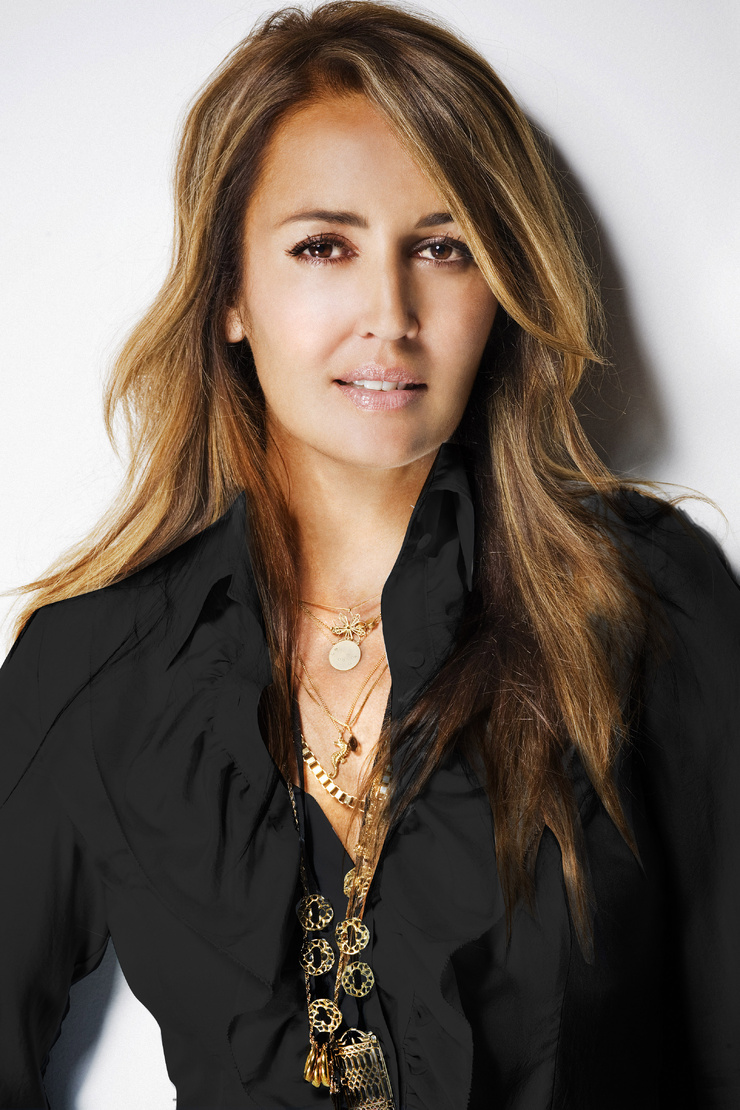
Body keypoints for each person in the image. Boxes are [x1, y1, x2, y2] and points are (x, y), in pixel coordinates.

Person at [1, 2, 738, 1107]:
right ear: (230, 294)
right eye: (322, 247)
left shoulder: (645, 602)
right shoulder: (92, 671)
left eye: (442, 248)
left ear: (500, 287)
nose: (389, 314)